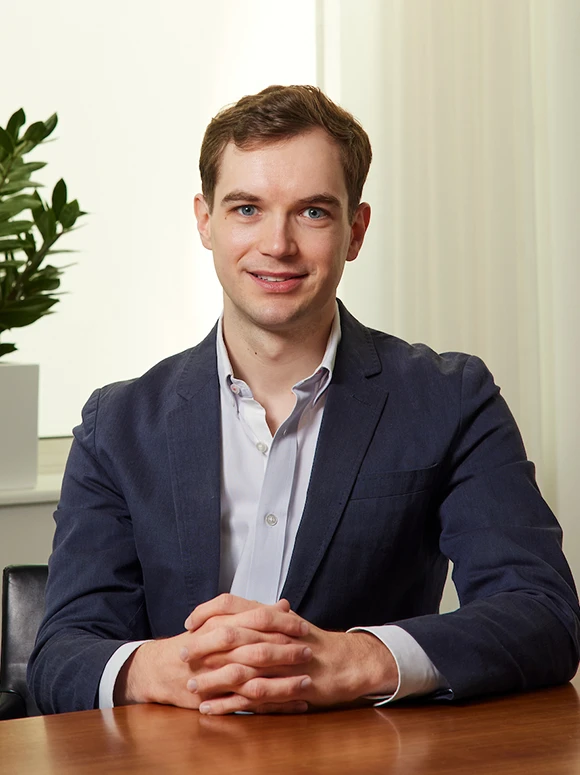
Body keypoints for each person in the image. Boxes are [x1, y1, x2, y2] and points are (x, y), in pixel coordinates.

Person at [29, 85, 579, 716]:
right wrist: (169, 666)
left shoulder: (450, 397)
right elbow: (61, 657)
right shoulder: (118, 424)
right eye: (246, 209)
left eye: (312, 212)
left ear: (356, 229)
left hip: (366, 755)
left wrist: (356, 659)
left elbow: (543, 614)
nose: (278, 245)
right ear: (205, 222)